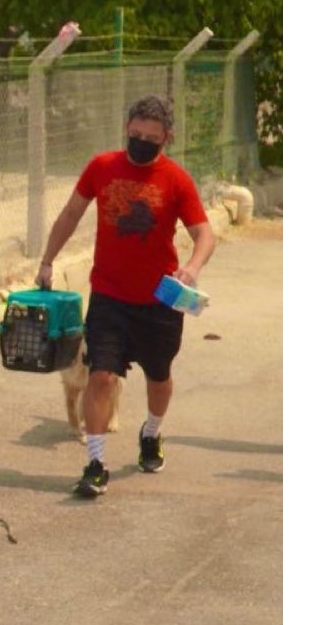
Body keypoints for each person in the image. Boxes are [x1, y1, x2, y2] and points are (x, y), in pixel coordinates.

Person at [35, 93, 214, 498]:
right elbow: (70, 214)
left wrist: (193, 266)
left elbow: (204, 233)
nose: (141, 143)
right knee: (101, 375)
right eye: (135, 134)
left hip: (159, 301)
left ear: (166, 138)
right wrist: (47, 260)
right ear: (126, 129)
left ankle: (151, 433)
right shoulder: (102, 167)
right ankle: (95, 464)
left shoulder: (176, 179)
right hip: (109, 295)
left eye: (151, 138)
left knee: (159, 377)